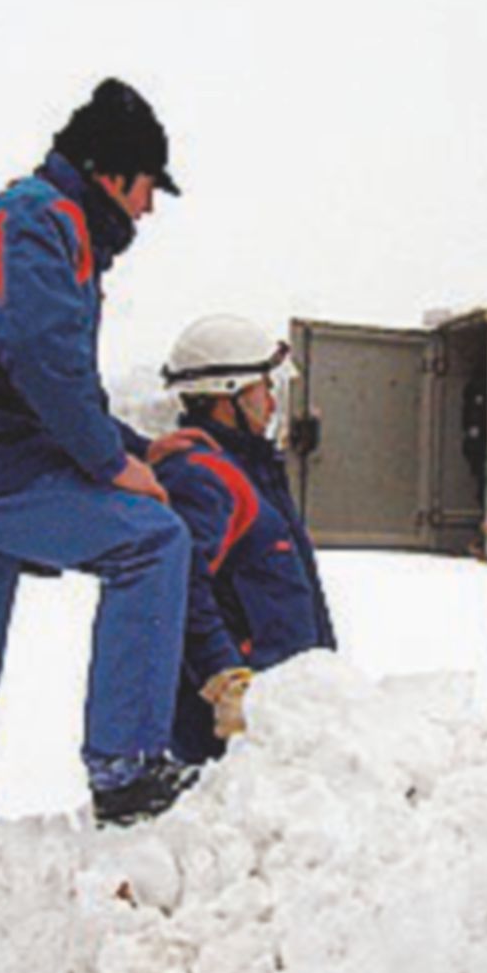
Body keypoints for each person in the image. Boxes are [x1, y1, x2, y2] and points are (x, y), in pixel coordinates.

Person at [0, 79, 216, 827]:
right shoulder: (39, 220)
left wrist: (135, 445)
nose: (148, 209)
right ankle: (124, 769)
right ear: (112, 174)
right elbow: (36, 354)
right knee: (151, 541)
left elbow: (37, 373)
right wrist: (114, 466)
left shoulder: (28, 222)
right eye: (148, 187)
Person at [156, 315, 336, 764]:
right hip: (232, 721)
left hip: (281, 709)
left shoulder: (250, 471)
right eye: (264, 389)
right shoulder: (201, 476)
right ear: (228, 394)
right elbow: (181, 587)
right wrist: (225, 677)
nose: (273, 404)